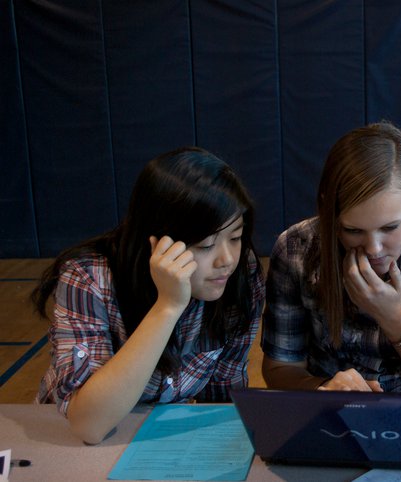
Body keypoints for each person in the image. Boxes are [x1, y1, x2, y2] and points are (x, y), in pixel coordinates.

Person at [32, 146, 265, 444]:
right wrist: (167, 307)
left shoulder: (241, 274)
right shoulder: (89, 277)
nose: (227, 260)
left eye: (235, 237)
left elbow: (224, 397)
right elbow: (89, 425)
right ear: (156, 241)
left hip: (158, 441)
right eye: (205, 245)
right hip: (64, 442)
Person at [261, 122, 401, 394]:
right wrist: (325, 387)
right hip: (329, 409)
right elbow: (280, 368)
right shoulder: (296, 248)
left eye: (390, 228)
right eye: (353, 230)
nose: (374, 249)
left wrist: (394, 319)